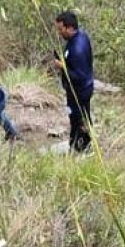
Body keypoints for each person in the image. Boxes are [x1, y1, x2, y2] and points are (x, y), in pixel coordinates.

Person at [53, 11, 95, 152]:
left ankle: (82, 148)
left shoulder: (77, 48)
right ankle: (76, 144)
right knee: (77, 119)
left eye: (61, 29)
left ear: (70, 28)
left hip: (80, 92)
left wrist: (62, 67)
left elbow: (79, 76)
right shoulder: (79, 37)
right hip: (79, 90)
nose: (59, 33)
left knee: (80, 119)